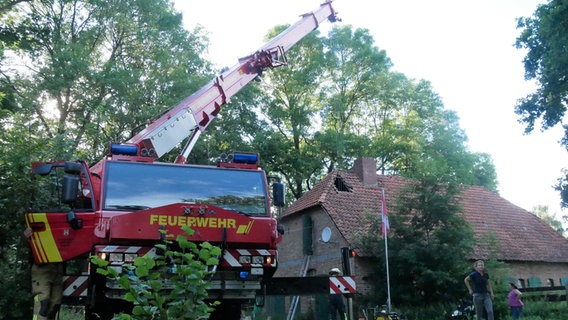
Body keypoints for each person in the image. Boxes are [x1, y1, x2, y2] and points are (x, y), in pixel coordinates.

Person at [24, 227, 63, 320]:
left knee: (55, 306)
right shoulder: (36, 221)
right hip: (41, 267)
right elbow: (26, 241)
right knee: (43, 302)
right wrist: (25, 237)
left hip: (57, 266)